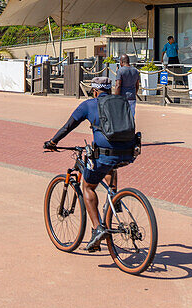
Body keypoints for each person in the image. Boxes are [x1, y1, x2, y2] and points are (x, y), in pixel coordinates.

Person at [43, 79, 137, 252]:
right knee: (109, 165)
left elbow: (68, 126)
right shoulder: (120, 102)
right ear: (109, 90)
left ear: (94, 91)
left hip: (104, 154)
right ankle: (113, 197)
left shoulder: (88, 105)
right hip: (128, 152)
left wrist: (52, 142)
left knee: (88, 186)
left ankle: (97, 228)